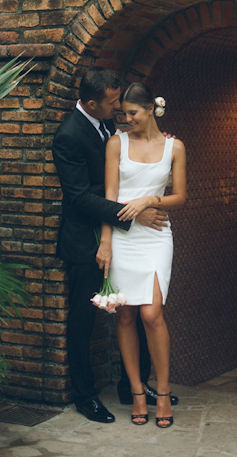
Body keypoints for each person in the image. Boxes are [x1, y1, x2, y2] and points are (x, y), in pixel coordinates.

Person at [52, 69, 173, 423]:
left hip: (124, 234)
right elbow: (78, 197)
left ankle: (131, 386)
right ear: (92, 103)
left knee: (136, 310)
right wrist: (133, 215)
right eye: (112, 102)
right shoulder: (69, 136)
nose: (119, 106)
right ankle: (85, 395)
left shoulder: (111, 128)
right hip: (86, 240)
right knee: (84, 319)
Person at [96, 83, 186, 428]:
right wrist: (105, 243)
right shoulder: (115, 143)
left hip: (156, 236)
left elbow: (179, 196)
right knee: (124, 317)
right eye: (122, 114)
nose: (126, 119)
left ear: (151, 110)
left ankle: (162, 392)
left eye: (132, 113)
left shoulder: (175, 147)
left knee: (152, 314)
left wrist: (149, 201)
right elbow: (109, 196)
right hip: (121, 236)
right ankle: (136, 391)